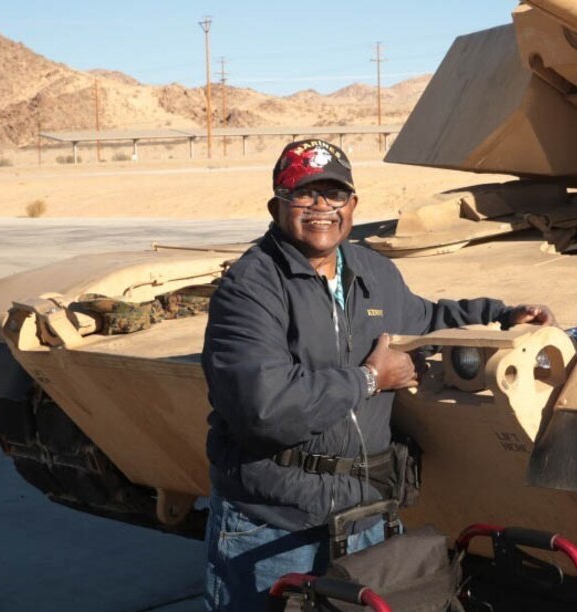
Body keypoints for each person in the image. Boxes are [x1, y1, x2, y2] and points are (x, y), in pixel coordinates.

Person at [201, 139, 554, 611]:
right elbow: (263, 408)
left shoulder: (372, 271)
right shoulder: (250, 287)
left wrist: (503, 315)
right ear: (277, 206)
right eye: (305, 194)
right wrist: (369, 378)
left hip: (362, 518)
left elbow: (425, 319)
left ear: (353, 205)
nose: (322, 207)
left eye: (334, 194)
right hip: (273, 525)